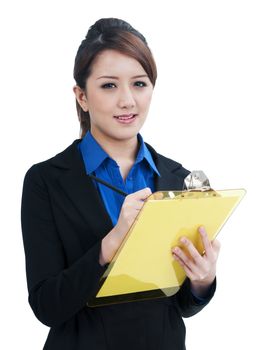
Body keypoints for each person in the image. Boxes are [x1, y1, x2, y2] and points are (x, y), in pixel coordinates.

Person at [21, 18, 220, 350]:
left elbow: (182, 305)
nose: (128, 100)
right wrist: (106, 248)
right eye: (109, 85)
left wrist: (203, 280)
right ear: (82, 96)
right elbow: (46, 306)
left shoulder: (181, 180)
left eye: (139, 84)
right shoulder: (46, 181)